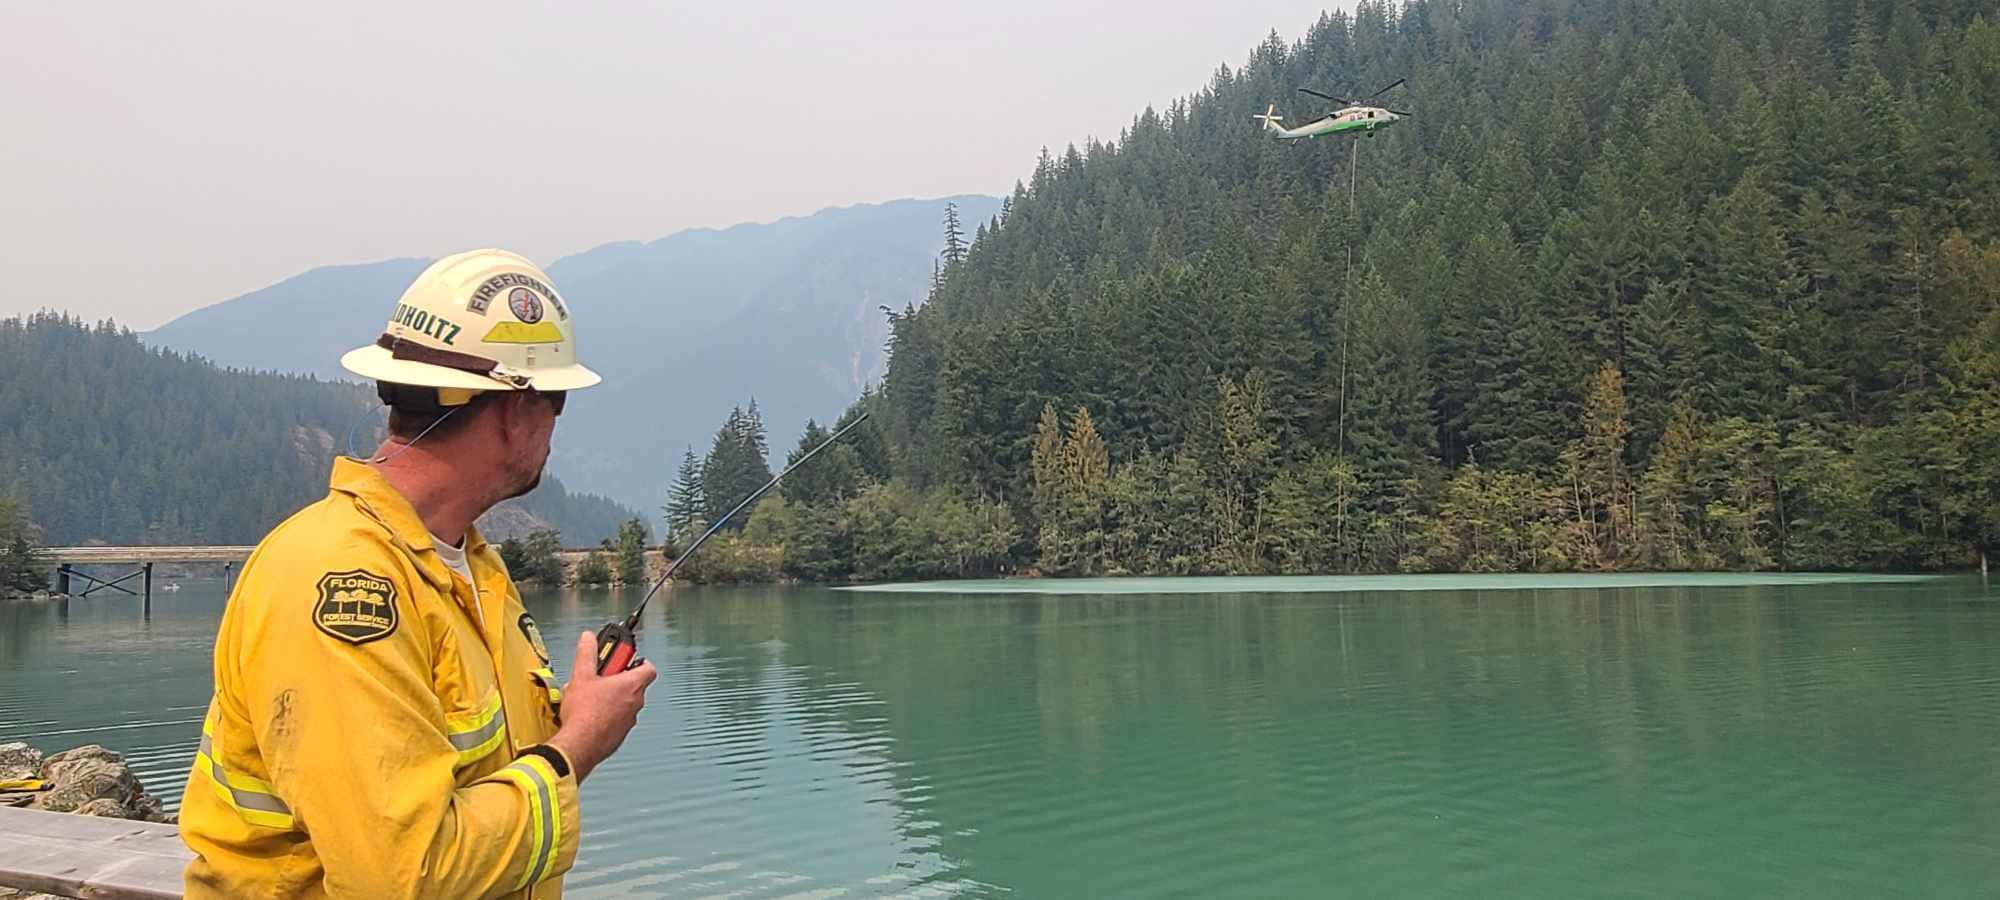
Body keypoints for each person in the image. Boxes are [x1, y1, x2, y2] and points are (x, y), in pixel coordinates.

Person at [180, 249, 657, 898]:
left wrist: (570, 718)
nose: (554, 428)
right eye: (558, 402)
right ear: (516, 412)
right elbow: (404, 874)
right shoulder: (339, 582)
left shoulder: (470, 568)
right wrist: (578, 745)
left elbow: (492, 776)